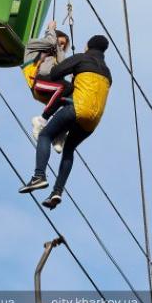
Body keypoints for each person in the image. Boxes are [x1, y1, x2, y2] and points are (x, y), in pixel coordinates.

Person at [18, 35, 112, 209]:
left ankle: (39, 176)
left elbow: (54, 74)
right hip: (93, 120)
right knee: (69, 149)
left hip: (77, 109)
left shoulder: (81, 58)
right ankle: (57, 191)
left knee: (45, 135)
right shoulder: (107, 72)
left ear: (87, 46)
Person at [21, 21, 72, 140]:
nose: (62, 46)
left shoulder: (54, 58)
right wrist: (50, 30)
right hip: (38, 83)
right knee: (65, 87)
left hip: (51, 88)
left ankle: (60, 131)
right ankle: (41, 120)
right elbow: (50, 42)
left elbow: (62, 62)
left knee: (74, 101)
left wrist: (58, 48)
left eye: (64, 45)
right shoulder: (32, 46)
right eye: (61, 43)